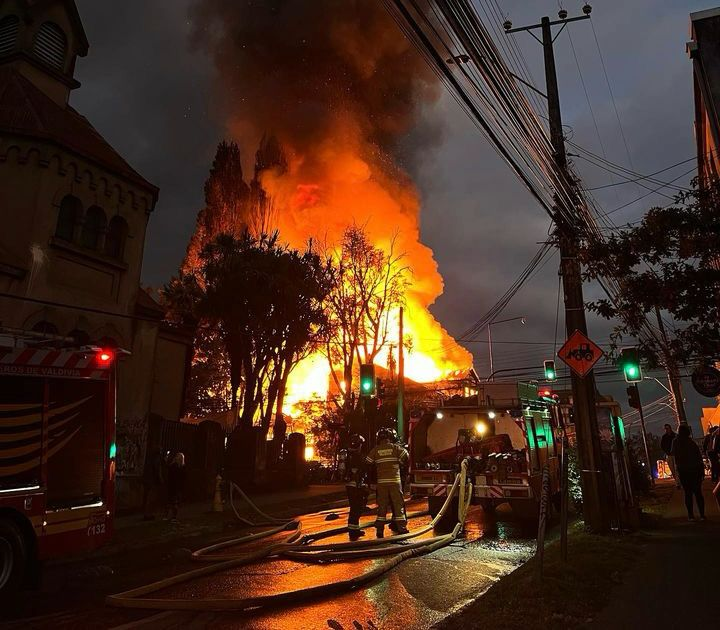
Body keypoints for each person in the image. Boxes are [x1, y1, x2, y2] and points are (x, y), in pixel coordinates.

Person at [365, 428, 409, 538]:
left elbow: (368, 462)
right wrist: (400, 462)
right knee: (398, 505)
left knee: (382, 507)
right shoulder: (395, 448)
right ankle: (401, 528)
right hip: (395, 481)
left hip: (382, 483)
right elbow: (406, 455)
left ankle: (380, 530)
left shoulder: (376, 450)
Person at [670, 424, 706, 521]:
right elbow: (698, 457)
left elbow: (673, 454)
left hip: (683, 470)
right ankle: (702, 515)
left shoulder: (675, 442)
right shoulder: (692, 443)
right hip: (695, 469)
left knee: (688, 492)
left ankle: (691, 515)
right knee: (698, 492)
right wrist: (702, 471)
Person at [344, 434, 369, 541]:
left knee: (355, 508)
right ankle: (353, 532)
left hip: (350, 485)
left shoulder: (348, 455)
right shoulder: (358, 456)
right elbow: (361, 471)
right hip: (356, 486)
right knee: (356, 508)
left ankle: (354, 529)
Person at [141, 447, 166, 520]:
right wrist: (161, 480)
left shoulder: (149, 459)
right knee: (151, 498)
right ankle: (148, 514)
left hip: (148, 481)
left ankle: (147, 514)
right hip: (152, 481)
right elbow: (157, 470)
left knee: (148, 497)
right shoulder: (156, 459)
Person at [165, 452, 186, 523]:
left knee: (170, 501)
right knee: (174, 502)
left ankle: (167, 515)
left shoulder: (173, 466)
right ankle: (173, 516)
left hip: (172, 485)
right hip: (176, 486)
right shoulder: (181, 467)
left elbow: (169, 476)